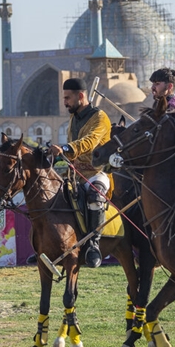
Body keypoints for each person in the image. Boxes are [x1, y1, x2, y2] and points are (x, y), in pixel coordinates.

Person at [48, 77, 112, 268]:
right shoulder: (73, 118)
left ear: (81, 96)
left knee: (94, 194)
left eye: (67, 98)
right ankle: (49, 247)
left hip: (98, 173)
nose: (65, 102)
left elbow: (90, 141)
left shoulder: (100, 117)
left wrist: (66, 148)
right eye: (64, 98)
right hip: (74, 175)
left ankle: (93, 244)